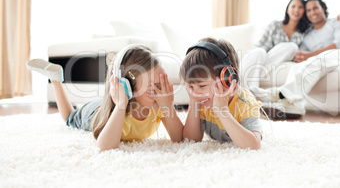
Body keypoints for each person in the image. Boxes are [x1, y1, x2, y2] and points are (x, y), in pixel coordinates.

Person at [26, 44, 184, 151]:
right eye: (152, 86)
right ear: (127, 86)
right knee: (70, 117)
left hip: (113, 103)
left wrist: (168, 107)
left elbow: (179, 139)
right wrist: (121, 105)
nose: (160, 90)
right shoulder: (118, 112)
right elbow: (104, 147)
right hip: (95, 112)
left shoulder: (158, 106)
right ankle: (55, 79)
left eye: (162, 82)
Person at [250, 0, 340, 119]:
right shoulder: (307, 35)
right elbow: (302, 55)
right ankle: (295, 106)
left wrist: (311, 54)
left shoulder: (338, 22)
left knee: (317, 59)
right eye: (309, 10)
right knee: (298, 67)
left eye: (315, 8)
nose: (312, 12)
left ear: (323, 8)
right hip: (321, 60)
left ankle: (278, 94)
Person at [240, 0, 340, 89]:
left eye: (300, 7)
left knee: (292, 47)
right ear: (287, 10)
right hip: (264, 58)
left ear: (303, 12)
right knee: (258, 51)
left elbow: (321, 26)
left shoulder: (305, 32)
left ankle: (249, 91)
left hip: (282, 60)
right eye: (293, 6)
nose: (296, 10)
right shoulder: (275, 25)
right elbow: (261, 46)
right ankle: (248, 90)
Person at [180, 37, 262, 150]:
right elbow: (190, 139)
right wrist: (193, 103)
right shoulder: (202, 102)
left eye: (202, 86)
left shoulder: (245, 104)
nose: (195, 93)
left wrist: (222, 110)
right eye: (190, 86)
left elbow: (253, 146)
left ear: (227, 78)